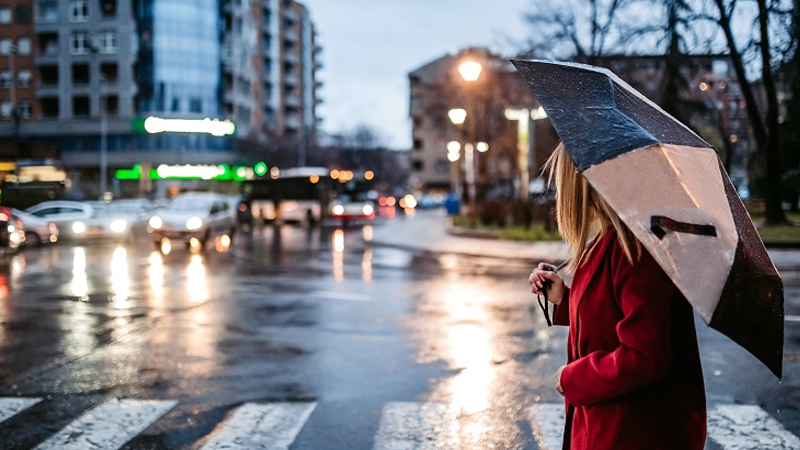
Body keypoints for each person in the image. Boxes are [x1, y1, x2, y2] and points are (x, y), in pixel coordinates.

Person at [528, 143, 706, 450]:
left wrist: (573, 378)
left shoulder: (634, 248)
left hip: (630, 432)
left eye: (562, 182)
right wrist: (563, 299)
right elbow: (611, 315)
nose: (559, 193)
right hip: (608, 424)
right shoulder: (608, 240)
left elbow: (645, 356)